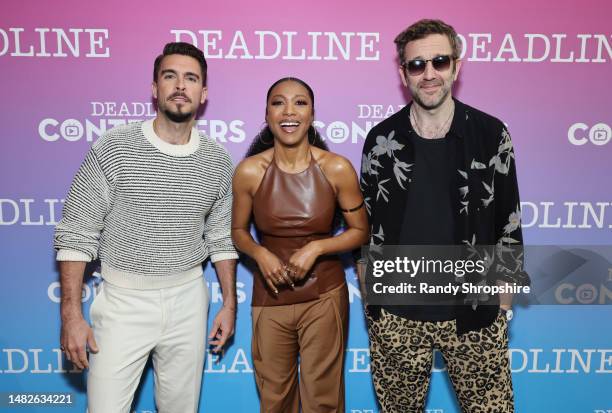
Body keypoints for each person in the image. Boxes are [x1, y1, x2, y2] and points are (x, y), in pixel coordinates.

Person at [54, 42, 238, 413]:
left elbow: (220, 238)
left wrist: (230, 302)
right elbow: (77, 233)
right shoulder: (115, 147)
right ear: (155, 88)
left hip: (189, 298)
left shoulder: (217, 160)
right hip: (123, 302)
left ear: (204, 93)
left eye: (191, 78)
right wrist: (71, 315)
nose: (180, 86)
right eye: (170, 76)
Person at [357, 19, 530, 412]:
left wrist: (502, 305)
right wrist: (374, 307)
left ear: (457, 65)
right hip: (396, 316)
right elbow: (365, 229)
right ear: (403, 73)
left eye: (439, 61)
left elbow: (509, 219)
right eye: (417, 65)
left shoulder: (490, 133)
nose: (429, 73)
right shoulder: (382, 141)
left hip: (476, 314)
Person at [232, 77, 368, 413]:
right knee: (274, 400)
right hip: (270, 295)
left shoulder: (336, 168)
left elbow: (361, 231)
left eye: (300, 103)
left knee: (323, 400)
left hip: (324, 296)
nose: (289, 111)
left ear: (312, 114)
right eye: (279, 102)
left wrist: (317, 248)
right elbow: (237, 231)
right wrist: (259, 252)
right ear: (266, 113)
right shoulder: (249, 171)